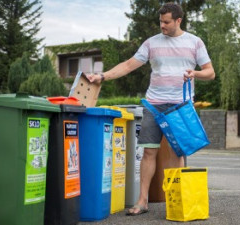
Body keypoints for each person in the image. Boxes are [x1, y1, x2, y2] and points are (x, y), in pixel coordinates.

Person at [86, 2, 215, 216]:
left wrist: (195, 74)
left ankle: (177, 201)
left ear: (178, 20)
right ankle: (142, 200)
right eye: (160, 22)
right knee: (148, 151)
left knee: (177, 152)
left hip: (180, 107)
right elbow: (128, 65)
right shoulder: (151, 43)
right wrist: (102, 76)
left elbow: (210, 72)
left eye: (166, 22)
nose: (162, 26)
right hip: (154, 104)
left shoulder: (195, 42)